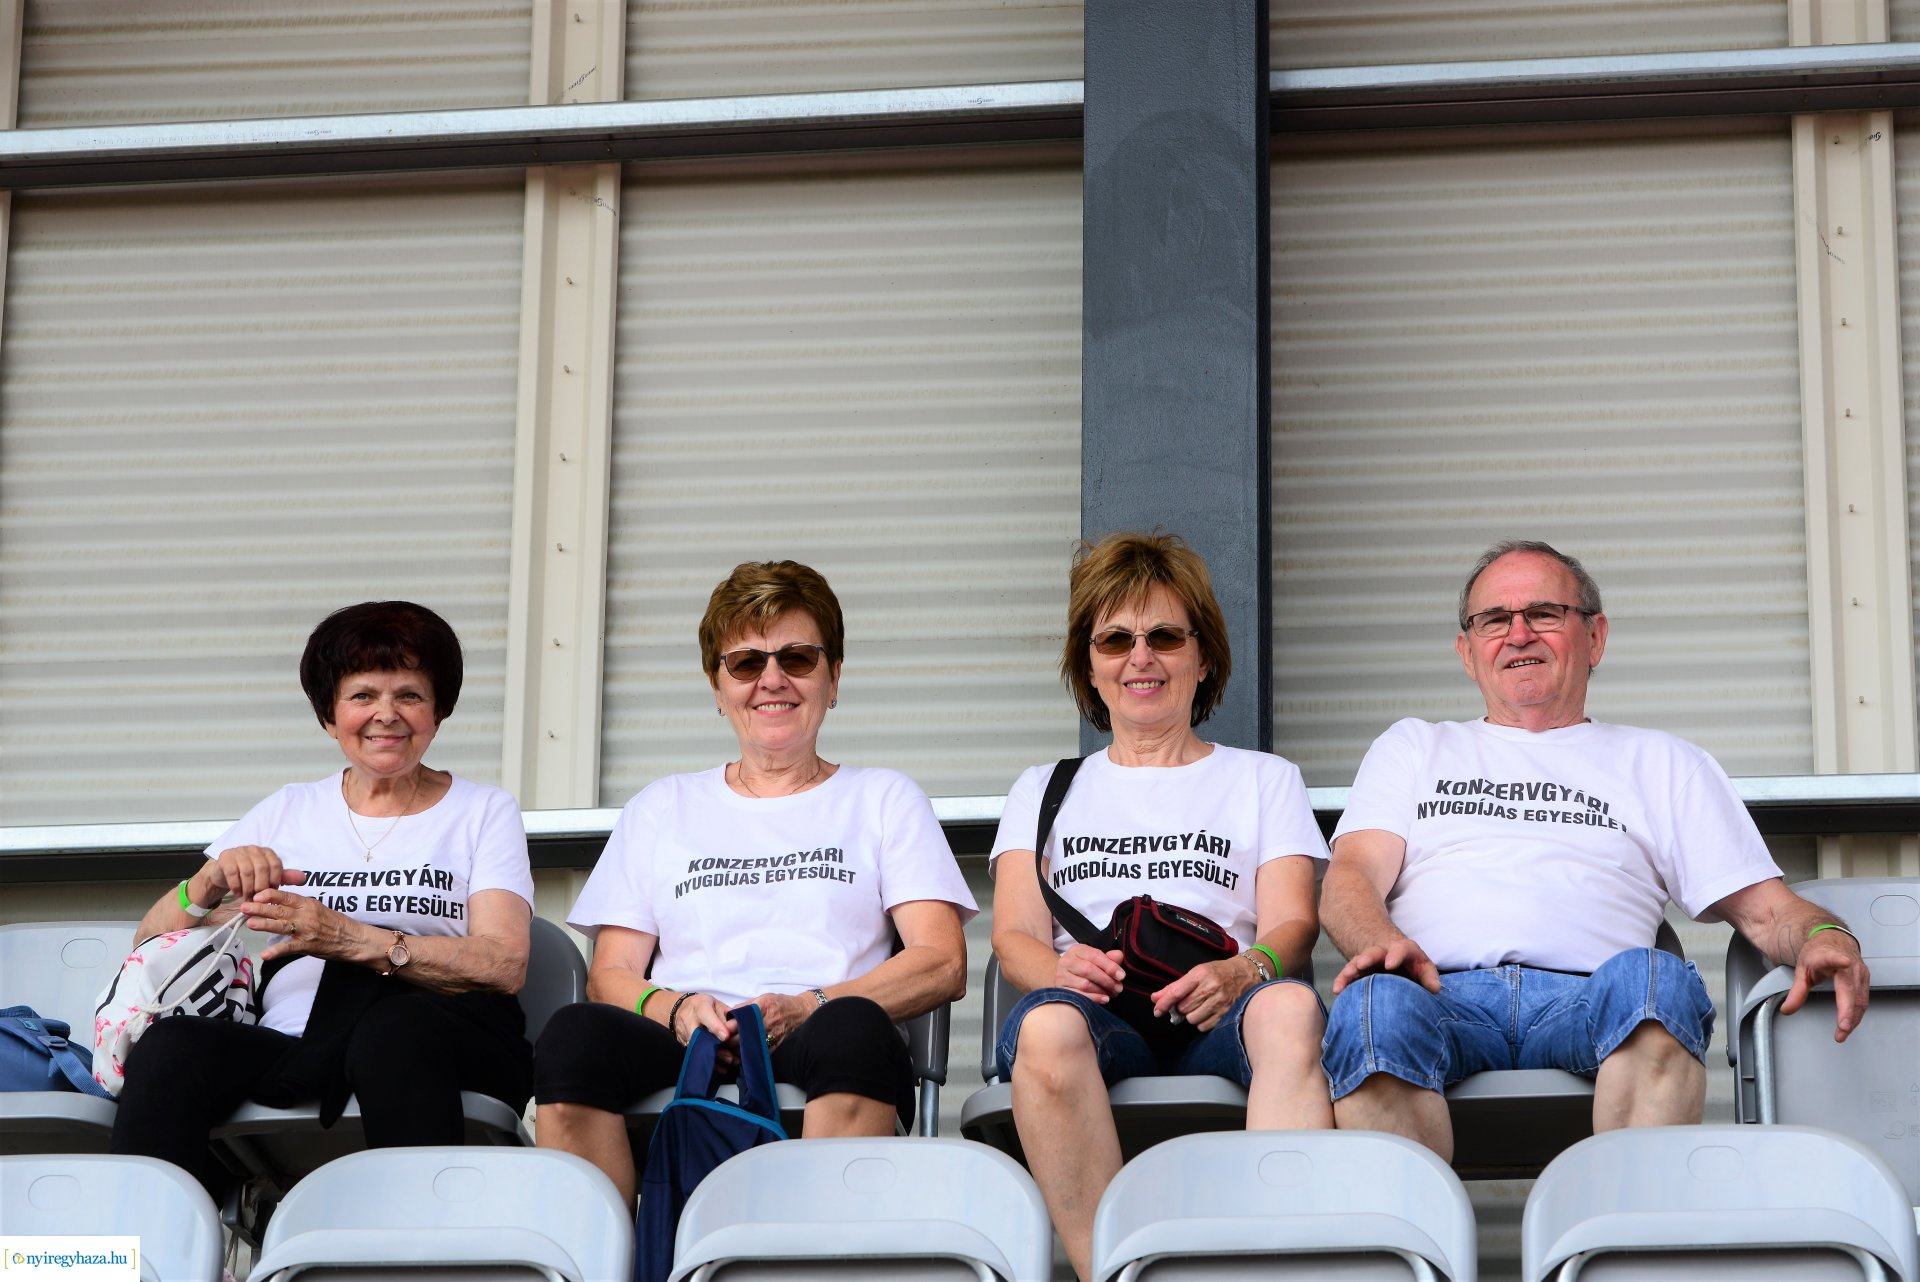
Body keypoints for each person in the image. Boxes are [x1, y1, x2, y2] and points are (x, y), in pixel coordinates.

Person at [1320, 538, 1872, 1157]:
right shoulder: (1414, 747)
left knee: (1656, 983)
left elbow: (1767, 911)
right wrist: (1381, 947)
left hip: (1594, 998)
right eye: (1494, 620)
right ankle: (1417, 1249)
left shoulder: (1663, 762)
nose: (1518, 633)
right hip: (1438, 995)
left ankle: (1624, 1244)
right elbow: (1351, 878)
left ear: (1596, 638)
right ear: (1468, 652)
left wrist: (1826, 937)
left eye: (1545, 614)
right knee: (1374, 1006)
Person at [532, 560, 974, 1209]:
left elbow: (941, 962)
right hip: (691, 1033)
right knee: (571, 1040)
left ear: (834, 677)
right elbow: (612, 974)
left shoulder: (882, 798)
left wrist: (812, 1004)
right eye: (746, 663)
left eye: (796, 658)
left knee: (855, 1031)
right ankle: (612, 1256)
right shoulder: (662, 806)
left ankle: (813, 1259)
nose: (773, 680)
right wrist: (678, 1011)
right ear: (718, 686)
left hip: (821, 1026)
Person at [990, 530, 1332, 1282]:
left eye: (1165, 636)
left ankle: (1279, 1267)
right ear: (1089, 664)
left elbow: (1293, 926)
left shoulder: (1263, 779)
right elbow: (1012, 937)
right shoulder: (1042, 789)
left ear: (1202, 656)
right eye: (1115, 640)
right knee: (1045, 1028)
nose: (1140, 657)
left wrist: (1246, 971)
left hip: (1221, 1012)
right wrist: (1060, 967)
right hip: (1101, 1019)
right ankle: (1109, 1272)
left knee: (1292, 1010)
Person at [110, 601, 535, 1195]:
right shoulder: (290, 808)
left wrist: (352, 939)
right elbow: (151, 946)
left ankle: (426, 1249)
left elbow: (505, 963)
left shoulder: (483, 811)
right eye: (363, 696)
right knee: (172, 1047)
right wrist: (205, 884)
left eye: (409, 695)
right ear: (329, 716)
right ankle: (145, 1253)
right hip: (292, 1044)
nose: (386, 715)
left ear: (438, 711)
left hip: (434, 1036)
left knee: (394, 1029)